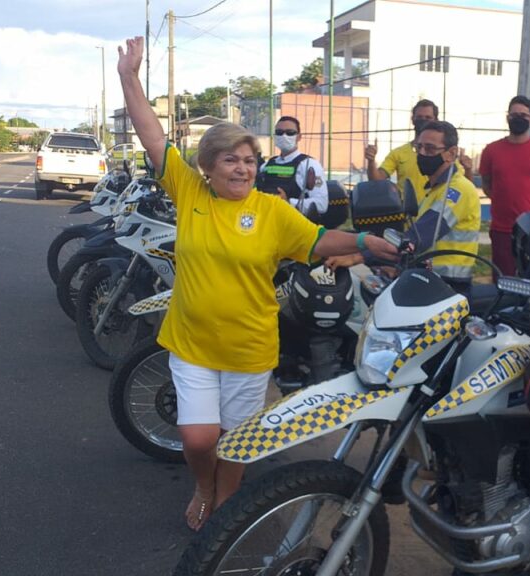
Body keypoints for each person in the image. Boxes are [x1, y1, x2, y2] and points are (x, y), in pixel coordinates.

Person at [116, 37, 397, 532]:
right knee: (199, 439)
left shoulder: (270, 211)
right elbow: (153, 137)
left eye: (249, 159)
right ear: (209, 167)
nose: (243, 167)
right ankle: (205, 483)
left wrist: (367, 243)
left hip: (248, 347)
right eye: (231, 160)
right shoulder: (188, 192)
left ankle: (226, 500)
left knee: (237, 441)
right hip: (193, 343)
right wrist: (129, 77)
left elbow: (320, 239)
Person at [330, 120, 480, 295]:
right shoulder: (434, 190)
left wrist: (357, 257)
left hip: (449, 286)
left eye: (430, 149)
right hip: (427, 278)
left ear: (451, 153)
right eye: (419, 148)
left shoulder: (457, 191)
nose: (422, 154)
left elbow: (417, 239)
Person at [479, 95, 530, 278]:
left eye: (523, 115)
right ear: (507, 117)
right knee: (502, 280)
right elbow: (487, 184)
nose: (518, 118)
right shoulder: (491, 150)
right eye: (514, 115)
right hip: (501, 229)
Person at [365, 99, 473, 204]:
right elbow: (377, 180)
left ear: (435, 120)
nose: (423, 120)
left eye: (428, 117)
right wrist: (371, 161)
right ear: (413, 119)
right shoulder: (398, 153)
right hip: (407, 218)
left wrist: (468, 169)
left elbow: (464, 187)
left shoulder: (446, 154)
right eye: (419, 117)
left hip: (435, 212)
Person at [258, 116, 328, 219]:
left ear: (299, 137)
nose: (284, 136)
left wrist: (288, 202)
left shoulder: (309, 165)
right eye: (279, 132)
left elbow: (321, 204)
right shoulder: (266, 165)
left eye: (290, 133)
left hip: (294, 224)